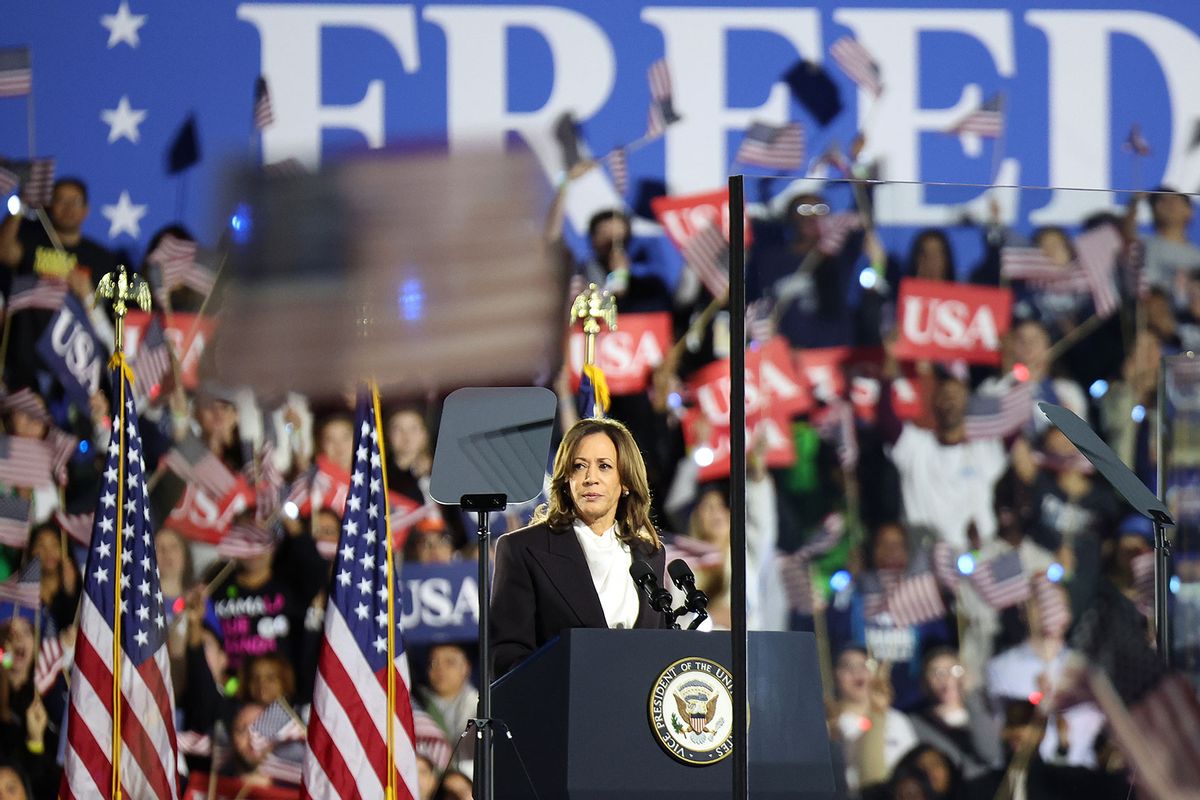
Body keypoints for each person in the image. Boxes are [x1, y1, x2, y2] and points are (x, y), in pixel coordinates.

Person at [490, 417, 668, 677]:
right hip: (561, 710)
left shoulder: (650, 554)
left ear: (626, 481)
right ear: (566, 478)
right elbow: (507, 659)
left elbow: (660, 649)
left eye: (604, 466)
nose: (590, 478)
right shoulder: (521, 549)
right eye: (579, 466)